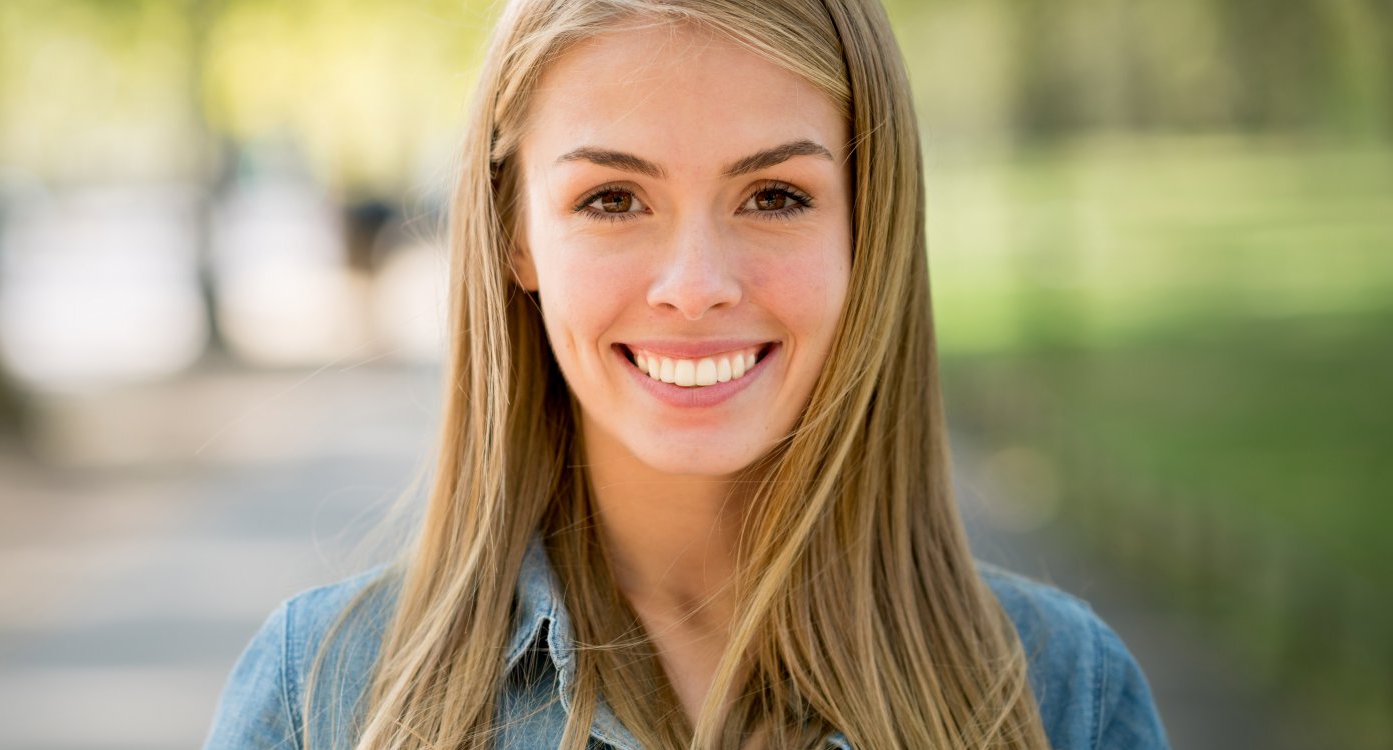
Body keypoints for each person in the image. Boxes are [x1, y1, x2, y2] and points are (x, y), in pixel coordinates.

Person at [204, 0, 1169, 747]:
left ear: (866, 231)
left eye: (776, 196)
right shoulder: (323, 699)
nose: (695, 286)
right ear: (514, 236)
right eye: (614, 198)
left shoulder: (1063, 696)